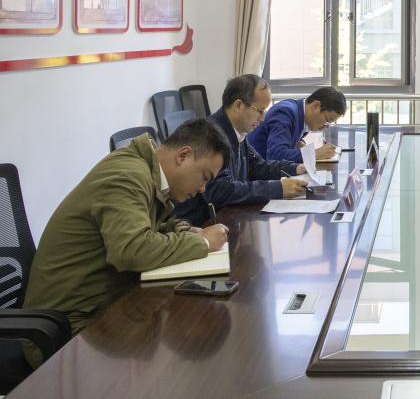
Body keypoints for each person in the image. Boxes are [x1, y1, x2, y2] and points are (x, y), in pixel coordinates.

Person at [23, 119, 232, 367]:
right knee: (166, 365)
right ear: (183, 155)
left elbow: (153, 225)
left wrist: (188, 231)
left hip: (102, 304)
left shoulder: (146, 173)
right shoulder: (127, 176)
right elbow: (132, 250)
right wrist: (203, 243)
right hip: (66, 327)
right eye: (204, 177)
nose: (203, 189)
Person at [174, 74, 309, 224]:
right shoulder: (212, 135)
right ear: (238, 105)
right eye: (260, 111)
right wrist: (278, 188)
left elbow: (257, 167)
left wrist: (296, 168)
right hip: (201, 223)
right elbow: (220, 191)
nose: (263, 118)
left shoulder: (237, 132)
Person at [246, 86, 348, 163]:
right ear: (315, 106)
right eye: (327, 120)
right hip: (255, 175)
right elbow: (275, 155)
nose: (326, 126)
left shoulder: (301, 113)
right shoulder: (285, 113)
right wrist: (314, 154)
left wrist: (299, 143)